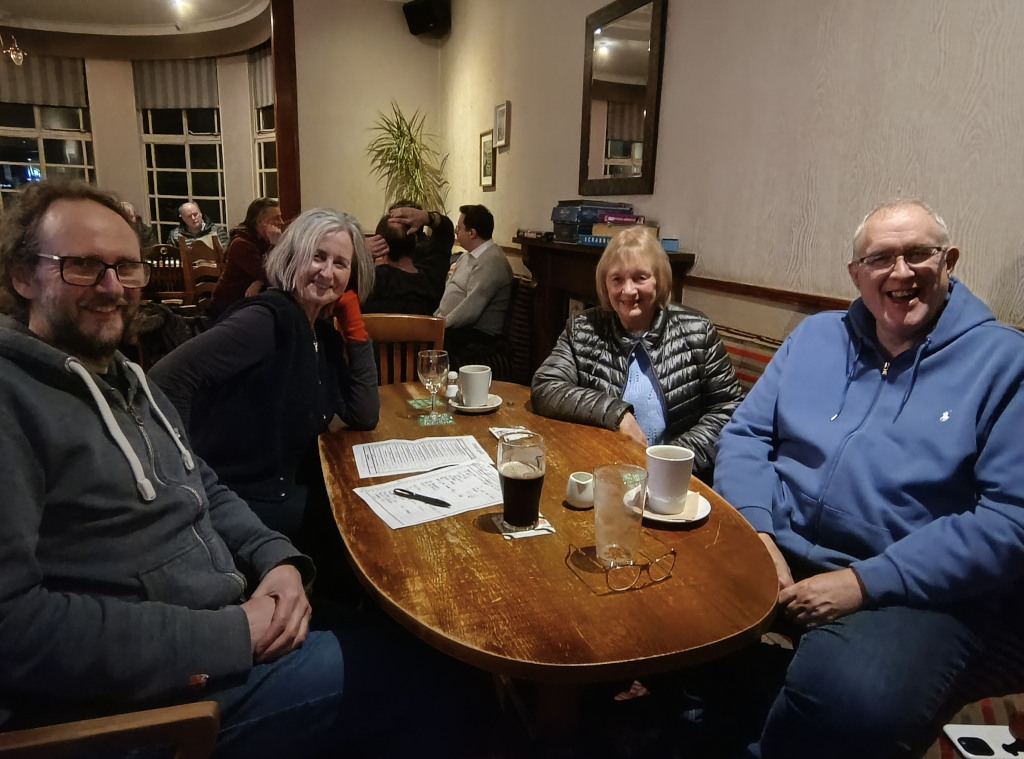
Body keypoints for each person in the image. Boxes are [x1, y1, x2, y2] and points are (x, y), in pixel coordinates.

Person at [0, 180, 344, 757]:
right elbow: (14, 630)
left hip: (222, 623)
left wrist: (275, 557)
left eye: (126, 267)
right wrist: (232, 634)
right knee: (437, 682)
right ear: (23, 277)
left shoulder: (128, 378)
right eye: (82, 266)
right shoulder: (14, 401)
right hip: (156, 711)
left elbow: (201, 480)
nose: (112, 287)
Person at [710, 200, 1024, 758]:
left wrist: (863, 583)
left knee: (853, 700)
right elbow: (745, 436)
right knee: (658, 595)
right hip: (776, 543)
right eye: (880, 258)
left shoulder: (1005, 364)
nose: (901, 273)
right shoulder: (814, 337)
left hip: (910, 584)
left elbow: (1009, 522)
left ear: (948, 261)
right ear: (856, 275)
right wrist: (757, 535)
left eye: (918, 254)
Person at [150, 208, 379, 545]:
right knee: (363, 531)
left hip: (291, 483)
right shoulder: (265, 321)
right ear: (292, 257)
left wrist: (354, 326)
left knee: (367, 515)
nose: (327, 273)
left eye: (340, 263)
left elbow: (363, 414)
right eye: (317, 257)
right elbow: (166, 379)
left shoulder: (321, 332)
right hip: (245, 499)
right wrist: (188, 476)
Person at [531, 226, 744, 483]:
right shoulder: (583, 328)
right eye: (617, 279)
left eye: (640, 278)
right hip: (601, 472)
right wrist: (615, 413)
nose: (628, 291)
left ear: (660, 280)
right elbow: (546, 386)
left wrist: (671, 459)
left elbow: (729, 408)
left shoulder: (697, 330)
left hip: (677, 482)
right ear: (605, 283)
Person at [434, 204, 513, 358]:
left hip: (478, 334)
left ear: (472, 233)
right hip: (452, 325)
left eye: (459, 227)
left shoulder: (492, 262)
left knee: (428, 343)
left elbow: (470, 310)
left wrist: (438, 326)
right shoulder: (466, 256)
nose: (456, 231)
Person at [362, 205, 450, 315]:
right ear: (415, 239)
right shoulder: (433, 277)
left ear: (380, 245)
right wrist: (427, 217)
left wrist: (359, 252)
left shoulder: (369, 281)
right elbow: (446, 231)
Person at [207, 197, 284, 319]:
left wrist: (258, 282)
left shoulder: (262, 242)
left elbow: (278, 270)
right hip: (227, 307)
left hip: (249, 303)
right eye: (276, 218)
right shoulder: (242, 244)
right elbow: (270, 276)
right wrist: (276, 246)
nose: (282, 222)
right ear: (260, 222)